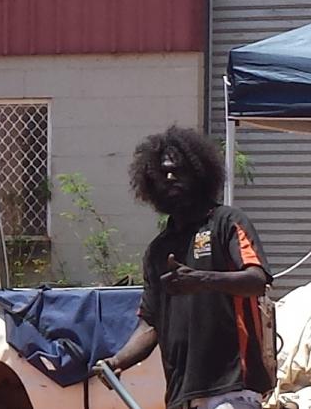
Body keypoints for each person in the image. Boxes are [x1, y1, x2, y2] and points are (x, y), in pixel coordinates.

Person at [94, 126, 272, 409]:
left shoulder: (227, 222)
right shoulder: (158, 250)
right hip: (181, 394)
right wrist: (118, 360)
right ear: (150, 183)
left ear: (200, 172)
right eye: (162, 173)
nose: (170, 177)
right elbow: (151, 323)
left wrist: (202, 279)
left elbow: (256, 281)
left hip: (231, 387)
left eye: (178, 170)